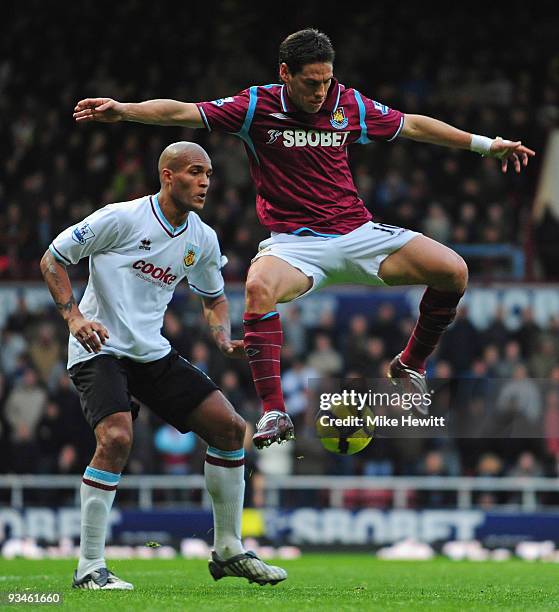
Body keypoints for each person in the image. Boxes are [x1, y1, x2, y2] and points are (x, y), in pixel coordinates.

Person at [73, 29, 535, 449]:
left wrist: (486, 144)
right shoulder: (256, 107)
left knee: (454, 270)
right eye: (311, 82)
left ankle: (408, 364)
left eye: (327, 81)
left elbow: (412, 124)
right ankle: (274, 410)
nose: (320, 92)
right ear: (285, 74)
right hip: (295, 245)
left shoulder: (346, 103)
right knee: (257, 288)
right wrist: (124, 110)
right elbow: (184, 112)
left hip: (357, 233)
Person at [40, 142, 287, 589]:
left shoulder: (202, 238)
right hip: (100, 347)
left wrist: (221, 335)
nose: (206, 182)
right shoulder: (119, 218)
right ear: (167, 176)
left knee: (231, 429)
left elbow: (212, 297)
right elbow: (53, 258)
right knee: (115, 437)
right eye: (196, 172)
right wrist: (74, 317)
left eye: (209, 174)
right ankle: (89, 568)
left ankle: (229, 548)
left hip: (150, 351)